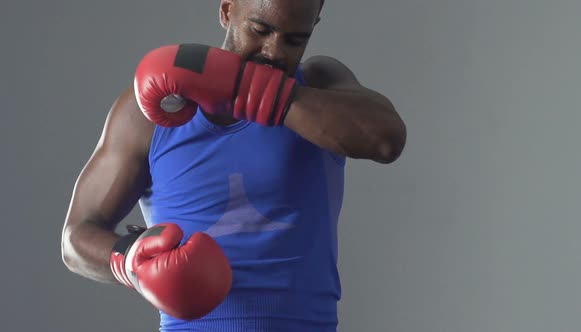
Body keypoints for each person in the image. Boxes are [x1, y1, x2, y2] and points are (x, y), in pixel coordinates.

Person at [61, 0, 407, 331]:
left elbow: (385, 138)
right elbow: (75, 238)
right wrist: (130, 260)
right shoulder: (149, 116)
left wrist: (243, 88)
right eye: (260, 29)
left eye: (294, 39)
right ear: (227, 10)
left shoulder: (320, 84)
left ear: (314, 25)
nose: (273, 51)